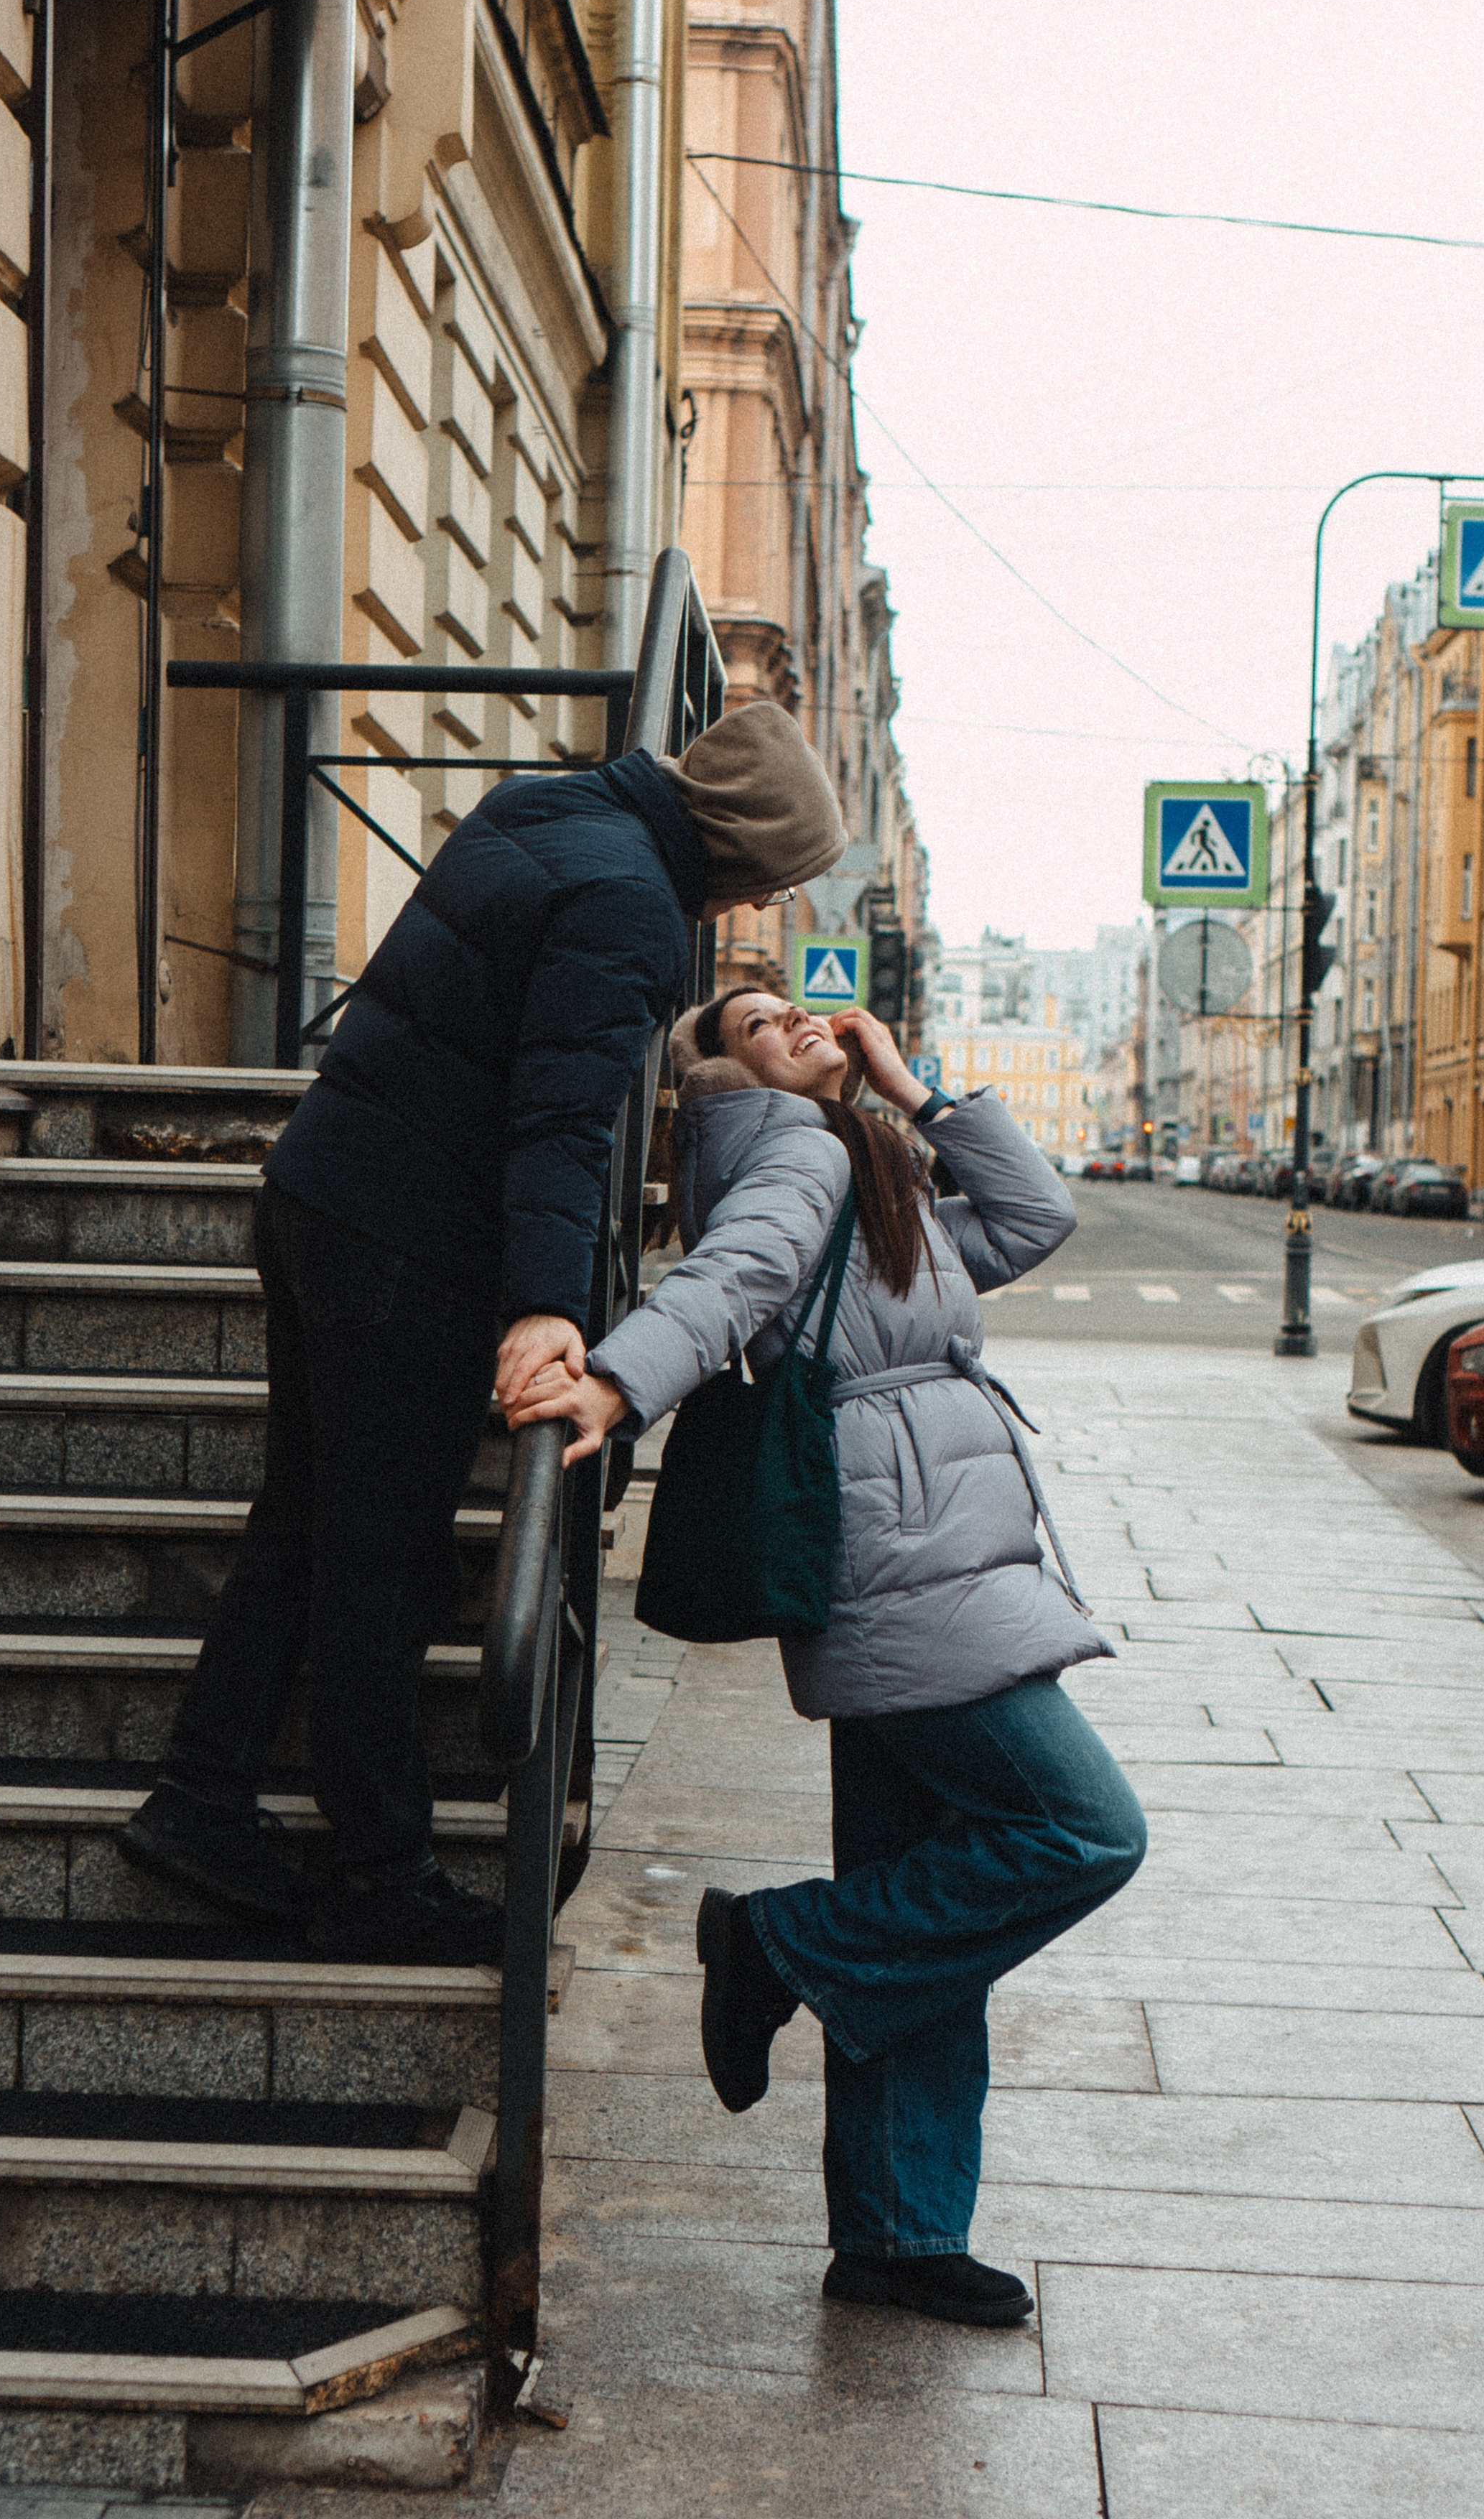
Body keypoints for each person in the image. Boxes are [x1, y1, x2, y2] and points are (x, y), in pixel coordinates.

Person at [121, 703, 846, 1964]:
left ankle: (199, 1795)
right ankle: (377, 1874)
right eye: (775, 874)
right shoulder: (631, 905)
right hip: (406, 1243)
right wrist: (547, 1307)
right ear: (745, 852)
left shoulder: (541, 807)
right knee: (380, 1563)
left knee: (303, 1525)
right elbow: (560, 1123)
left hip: (319, 1194)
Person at [509, 992, 1147, 2329]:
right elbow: (731, 1272)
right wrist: (619, 1385)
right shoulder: (795, 1154)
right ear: (714, 1074)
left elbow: (1033, 1221)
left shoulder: (863, 1167)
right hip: (912, 1565)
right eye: (752, 1018)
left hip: (922, 1554)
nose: (795, 1016)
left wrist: (912, 1090)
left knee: (923, 1907)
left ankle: (899, 2233)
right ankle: (776, 1944)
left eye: (796, 1002)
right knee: (1083, 1831)